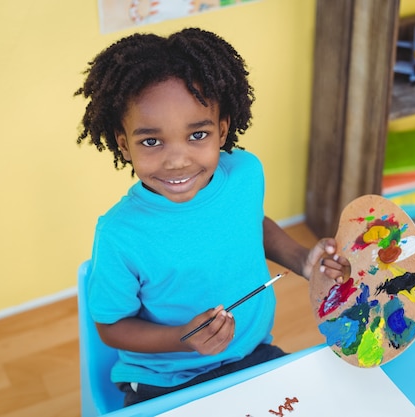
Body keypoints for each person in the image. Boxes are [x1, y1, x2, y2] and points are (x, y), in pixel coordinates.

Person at [74, 27, 351, 407]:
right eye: (151, 142)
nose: (177, 160)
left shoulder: (245, 174)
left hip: (249, 356)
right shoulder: (119, 234)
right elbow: (111, 327)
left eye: (197, 135)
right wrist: (182, 337)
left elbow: (252, 223)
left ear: (222, 130)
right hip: (164, 380)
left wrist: (303, 260)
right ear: (124, 144)